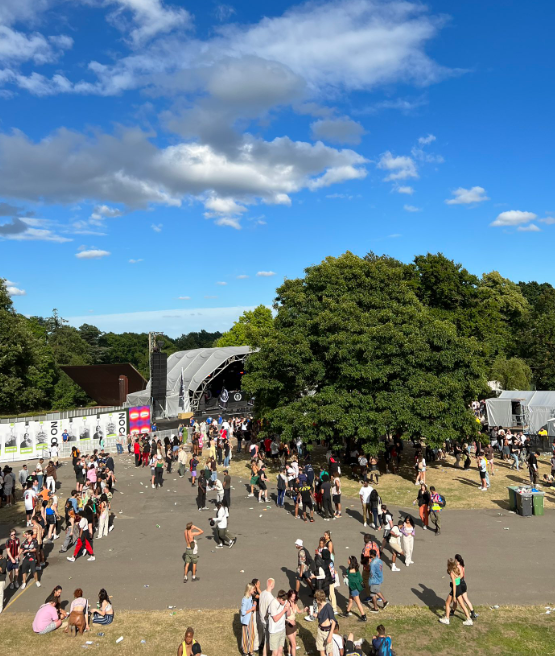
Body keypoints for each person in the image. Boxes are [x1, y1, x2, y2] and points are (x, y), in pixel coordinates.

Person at [439, 558, 473, 626]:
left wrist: (454, 596)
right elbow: (460, 576)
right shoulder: (457, 569)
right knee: (462, 605)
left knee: (447, 603)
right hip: (459, 587)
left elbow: (454, 585)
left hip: (455, 589)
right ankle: (469, 619)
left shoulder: (452, 573)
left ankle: (447, 619)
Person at [340, 555, 367, 622]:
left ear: (350, 561)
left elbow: (352, 582)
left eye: (348, 560)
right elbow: (359, 578)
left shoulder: (350, 571)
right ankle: (347, 612)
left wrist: (346, 577)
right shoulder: (356, 569)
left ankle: (363, 616)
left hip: (353, 589)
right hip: (355, 588)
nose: (347, 561)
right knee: (350, 600)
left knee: (358, 602)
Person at [452, 554, 478, 620]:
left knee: (457, 599)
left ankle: (452, 611)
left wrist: (454, 577)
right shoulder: (462, 566)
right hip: (464, 583)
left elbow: (460, 575)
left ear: (456, 560)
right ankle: (472, 612)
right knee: (466, 599)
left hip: (460, 584)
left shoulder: (458, 566)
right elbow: (463, 575)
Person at [315, 588, 336, 656]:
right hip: (320, 630)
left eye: (316, 598)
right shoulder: (319, 605)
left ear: (319, 598)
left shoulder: (328, 607)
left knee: (329, 651)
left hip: (327, 631)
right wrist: (312, 614)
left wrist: (330, 635)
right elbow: (320, 616)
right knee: (321, 649)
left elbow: (333, 622)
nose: (315, 600)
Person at [268, 589, 289, 656]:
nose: (284, 602)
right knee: (275, 653)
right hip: (274, 632)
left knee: (280, 651)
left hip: (282, 629)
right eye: (283, 600)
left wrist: (288, 608)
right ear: (279, 598)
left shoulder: (284, 601)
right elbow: (275, 619)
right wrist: (284, 610)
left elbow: (288, 614)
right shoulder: (273, 604)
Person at [368, 549, 388, 614]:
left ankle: (379, 605)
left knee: (374, 592)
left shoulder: (372, 564)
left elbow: (372, 573)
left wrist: (369, 581)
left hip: (374, 580)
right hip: (379, 578)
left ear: (371, 555)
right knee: (373, 593)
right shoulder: (379, 560)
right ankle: (377, 606)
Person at [258, 578, 276, 656]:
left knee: (265, 638)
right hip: (267, 621)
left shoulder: (262, 593)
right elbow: (270, 612)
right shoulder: (271, 598)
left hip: (261, 619)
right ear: (272, 585)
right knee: (267, 640)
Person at [240, 582, 257, 656]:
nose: (254, 591)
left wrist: (254, 604)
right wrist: (252, 609)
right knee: (245, 636)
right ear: (249, 590)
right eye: (253, 589)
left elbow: (252, 606)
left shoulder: (250, 597)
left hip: (250, 618)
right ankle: (245, 651)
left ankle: (251, 651)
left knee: (252, 635)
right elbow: (243, 612)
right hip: (246, 620)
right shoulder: (245, 599)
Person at [285, 589, 304, 655]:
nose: (293, 598)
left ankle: (289, 653)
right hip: (288, 625)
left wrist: (304, 610)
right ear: (289, 596)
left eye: (294, 597)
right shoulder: (287, 604)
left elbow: (298, 611)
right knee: (294, 644)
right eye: (292, 597)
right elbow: (283, 617)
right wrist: (289, 621)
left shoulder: (294, 603)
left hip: (294, 625)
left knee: (291, 642)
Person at [0, 545, 7, 614]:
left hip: (1, 579)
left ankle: (0, 607)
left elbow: (2, 570)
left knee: (0, 593)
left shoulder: (4, 561)